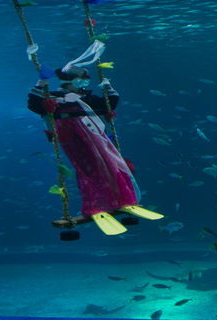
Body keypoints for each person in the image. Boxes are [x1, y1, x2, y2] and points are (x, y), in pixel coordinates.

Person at [27, 44, 152, 234]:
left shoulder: (88, 98)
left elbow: (108, 104)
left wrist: (108, 86)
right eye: (81, 79)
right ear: (70, 81)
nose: (85, 82)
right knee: (89, 170)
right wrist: (41, 82)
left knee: (112, 164)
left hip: (96, 136)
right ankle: (97, 203)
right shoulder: (57, 97)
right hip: (73, 138)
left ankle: (121, 199)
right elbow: (35, 105)